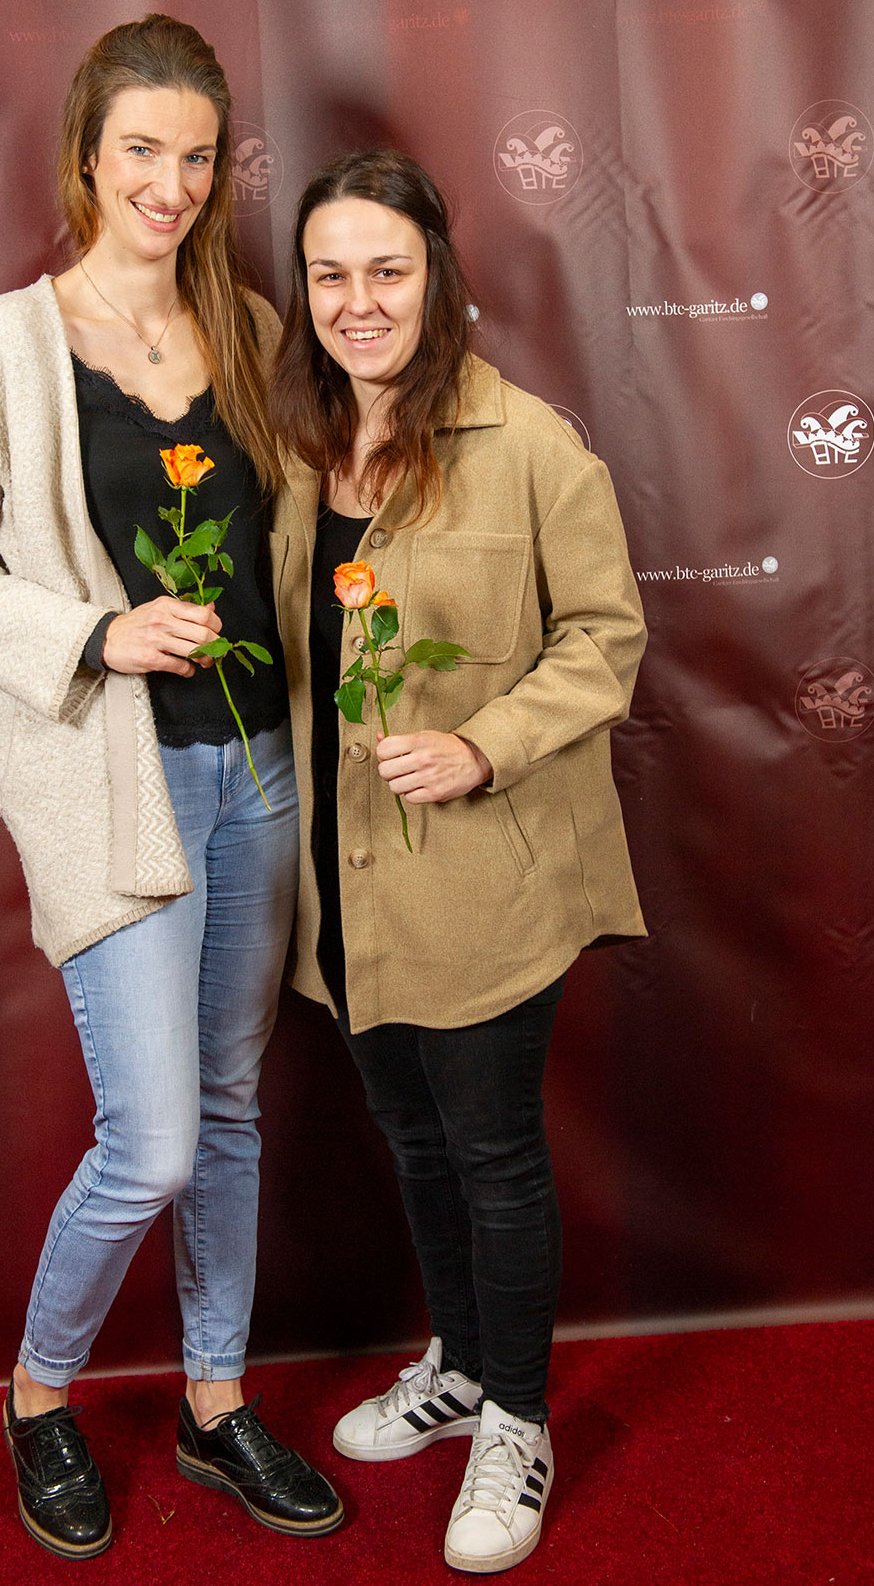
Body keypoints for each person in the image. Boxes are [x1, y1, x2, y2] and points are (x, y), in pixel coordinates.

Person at [0, 15, 341, 1560]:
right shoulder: (6, 346)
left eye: (198, 156)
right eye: (143, 148)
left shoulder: (253, 327)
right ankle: (37, 1393)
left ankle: (215, 1401)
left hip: (260, 773)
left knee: (229, 1109)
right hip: (116, 788)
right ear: (88, 154)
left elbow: (313, 530)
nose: (172, 182)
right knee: (150, 1138)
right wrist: (94, 632)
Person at [269, 149, 646, 1574]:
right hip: (345, 881)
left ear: (437, 276)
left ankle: (520, 1421)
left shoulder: (531, 443)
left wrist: (486, 744)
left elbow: (605, 638)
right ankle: (464, 1365)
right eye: (330, 275)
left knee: (492, 1153)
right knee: (415, 1139)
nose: (358, 302)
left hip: (486, 878)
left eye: (388, 270)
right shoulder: (298, 451)